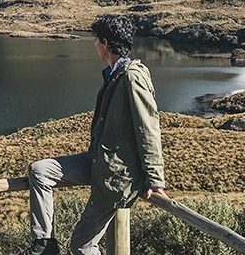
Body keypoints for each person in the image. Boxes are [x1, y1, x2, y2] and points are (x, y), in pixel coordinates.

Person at [17, 14, 168, 255]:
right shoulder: (114, 74)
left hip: (117, 176)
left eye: (97, 39)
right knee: (40, 171)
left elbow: (148, 128)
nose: (94, 44)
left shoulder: (132, 76)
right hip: (98, 161)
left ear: (107, 44)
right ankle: (44, 244)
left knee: (82, 245)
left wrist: (155, 179)